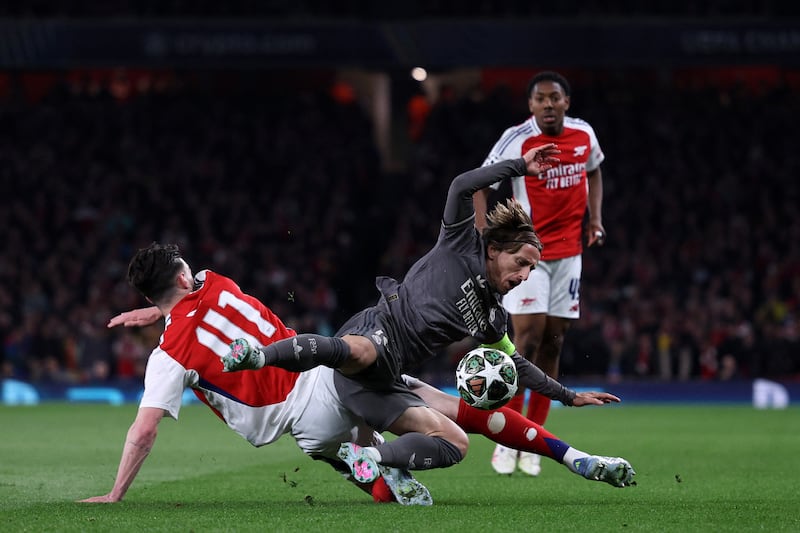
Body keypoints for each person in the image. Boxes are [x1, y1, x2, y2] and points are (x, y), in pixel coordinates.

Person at [224, 145, 634, 487]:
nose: (524, 276)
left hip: (385, 380)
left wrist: (567, 395)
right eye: (521, 263)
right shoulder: (460, 242)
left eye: (531, 271)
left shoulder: (493, 318)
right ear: (495, 249)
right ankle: (259, 356)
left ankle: (370, 457)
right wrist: (519, 168)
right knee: (363, 351)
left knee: (455, 443)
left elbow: (516, 365)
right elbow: (462, 185)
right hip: (378, 330)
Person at [78, 243, 433, 506]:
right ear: (185, 277)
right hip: (326, 364)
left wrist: (115, 494)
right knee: (427, 413)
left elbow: (144, 431)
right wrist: (157, 310)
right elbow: (187, 295)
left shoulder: (169, 355)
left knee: (349, 458)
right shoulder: (214, 281)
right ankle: (453, 428)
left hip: (306, 416)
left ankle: (379, 465)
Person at [473, 71, 607, 477]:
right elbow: (481, 182)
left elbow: (595, 171)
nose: (548, 105)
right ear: (530, 106)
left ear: (567, 101)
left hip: (570, 254)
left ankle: (536, 437)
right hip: (527, 255)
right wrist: (482, 234)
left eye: (555, 98)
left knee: (553, 342)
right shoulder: (518, 138)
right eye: (540, 99)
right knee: (524, 341)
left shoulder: (584, 134)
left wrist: (595, 219)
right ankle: (511, 436)